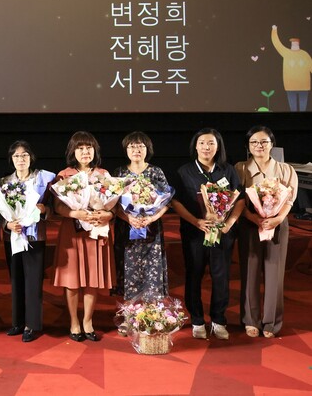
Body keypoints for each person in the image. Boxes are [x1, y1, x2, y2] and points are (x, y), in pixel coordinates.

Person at [171, 128, 245, 340]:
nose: (206, 147)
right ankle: (197, 320)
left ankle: (219, 320)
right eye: (202, 142)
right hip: (195, 233)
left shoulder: (227, 170)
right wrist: (196, 221)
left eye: (211, 143)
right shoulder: (184, 171)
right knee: (194, 275)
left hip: (223, 234)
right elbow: (175, 202)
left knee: (221, 276)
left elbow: (240, 199)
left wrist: (229, 223)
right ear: (195, 146)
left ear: (218, 146)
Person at [235, 126, 298, 338]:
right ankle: (250, 320)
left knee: (274, 273)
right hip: (249, 223)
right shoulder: (240, 168)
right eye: (254, 142)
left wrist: (278, 219)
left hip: (277, 224)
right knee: (250, 271)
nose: (259, 146)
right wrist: (254, 218)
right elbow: (237, 200)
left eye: (264, 141)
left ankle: (271, 322)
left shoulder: (286, 169)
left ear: (272, 144)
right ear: (248, 146)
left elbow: (289, 200)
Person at [53, 131, 115, 342]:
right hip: (73, 233)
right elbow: (58, 206)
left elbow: (113, 206)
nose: (85, 152)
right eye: (80, 148)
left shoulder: (103, 175)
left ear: (95, 151)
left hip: (96, 232)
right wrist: (74, 213)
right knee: (72, 280)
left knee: (92, 279)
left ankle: (88, 321)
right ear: (73, 151)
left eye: (89, 148)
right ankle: (74, 322)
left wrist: (107, 214)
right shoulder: (64, 175)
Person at [0, 141, 55, 343]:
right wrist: (7, 224)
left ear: (31, 158)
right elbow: (0, 211)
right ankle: (17, 322)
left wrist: (44, 209)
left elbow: (52, 208)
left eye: (24, 155)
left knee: (33, 281)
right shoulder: (4, 181)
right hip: (13, 237)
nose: (20, 159)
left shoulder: (41, 180)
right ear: (11, 159)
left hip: (35, 236)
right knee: (16, 280)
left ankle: (31, 325)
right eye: (16, 156)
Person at [113, 132, 170, 301]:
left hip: (151, 229)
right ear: (126, 150)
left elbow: (167, 202)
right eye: (132, 146)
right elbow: (113, 204)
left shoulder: (156, 172)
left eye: (140, 146)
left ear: (148, 149)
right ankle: (130, 311)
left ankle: (151, 311)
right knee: (128, 268)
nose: (136, 150)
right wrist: (128, 218)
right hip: (126, 229)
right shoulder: (119, 172)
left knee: (152, 270)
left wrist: (152, 218)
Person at [271, 25, 311, 112]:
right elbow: (277, 44)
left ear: (298, 44)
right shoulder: (286, 53)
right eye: (293, 43)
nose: (294, 45)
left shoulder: (305, 54)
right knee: (293, 110)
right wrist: (274, 30)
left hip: (303, 87)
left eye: (295, 43)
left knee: (303, 110)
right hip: (291, 87)